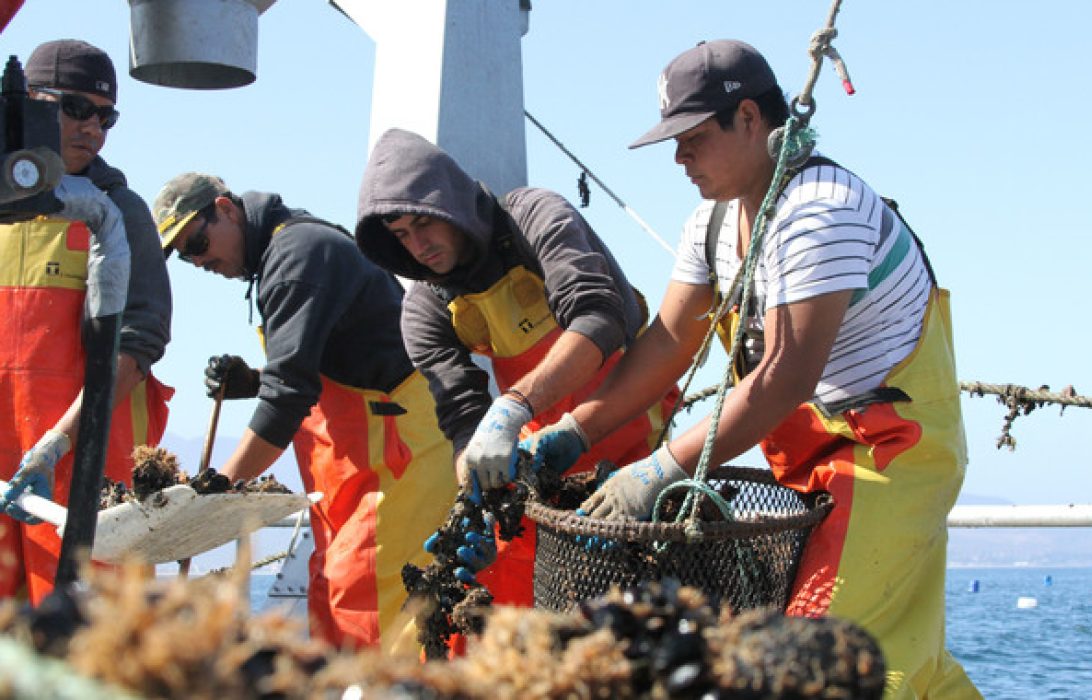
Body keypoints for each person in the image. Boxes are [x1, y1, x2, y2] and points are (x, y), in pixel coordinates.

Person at [530, 40, 981, 698]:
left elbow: (783, 379)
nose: (680, 158)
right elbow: (665, 345)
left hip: (887, 460)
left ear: (748, 118)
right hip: (805, 463)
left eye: (691, 137)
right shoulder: (712, 224)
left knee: (823, 664)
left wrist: (656, 471)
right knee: (910, 667)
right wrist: (573, 430)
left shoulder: (818, 212)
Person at [353, 128, 678, 609]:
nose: (418, 245)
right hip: (540, 461)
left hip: (628, 430)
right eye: (401, 235)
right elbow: (463, 421)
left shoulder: (535, 218)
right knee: (508, 599)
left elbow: (599, 317)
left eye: (423, 222)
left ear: (452, 203)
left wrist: (513, 405)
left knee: (642, 603)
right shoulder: (424, 309)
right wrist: (477, 496)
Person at [151, 173, 458, 651]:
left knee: (369, 601)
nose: (198, 259)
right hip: (350, 470)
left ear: (226, 209)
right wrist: (254, 380)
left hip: (400, 454)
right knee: (332, 591)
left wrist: (216, 488)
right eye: (184, 255)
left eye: (197, 240)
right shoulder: (280, 257)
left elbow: (287, 397)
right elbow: (316, 366)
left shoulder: (297, 255)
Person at [0, 39, 173, 604]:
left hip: (85, 473)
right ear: (30, 102)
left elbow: (138, 343)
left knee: (88, 642)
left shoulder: (119, 213)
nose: (93, 128)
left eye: (106, 116)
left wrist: (55, 445)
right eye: (76, 108)